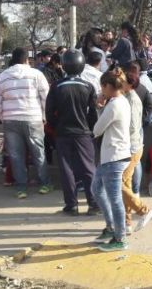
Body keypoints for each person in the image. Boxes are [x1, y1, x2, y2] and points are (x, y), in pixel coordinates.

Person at [0, 48, 52, 199]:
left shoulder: (2, 76)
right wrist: (44, 116)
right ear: (27, 60)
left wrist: (2, 116)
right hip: (33, 118)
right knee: (38, 152)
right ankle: (44, 183)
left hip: (10, 119)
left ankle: (21, 188)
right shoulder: (36, 74)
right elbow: (46, 97)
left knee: (16, 155)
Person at [46, 49, 100, 215]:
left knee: (67, 169)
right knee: (88, 168)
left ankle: (72, 205)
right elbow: (93, 112)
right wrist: (90, 128)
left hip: (63, 133)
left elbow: (49, 113)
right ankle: (93, 204)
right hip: (83, 132)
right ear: (82, 66)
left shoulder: (56, 86)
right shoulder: (88, 87)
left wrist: (56, 126)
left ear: (64, 66)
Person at [92, 69, 132, 252]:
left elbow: (97, 129)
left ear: (108, 86)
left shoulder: (113, 105)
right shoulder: (120, 101)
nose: (101, 91)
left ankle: (119, 237)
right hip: (113, 154)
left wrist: (99, 107)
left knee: (114, 198)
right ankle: (111, 228)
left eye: (102, 87)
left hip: (114, 156)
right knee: (97, 189)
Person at [120, 70, 152, 231]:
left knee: (120, 184)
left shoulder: (132, 100)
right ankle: (127, 222)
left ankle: (143, 210)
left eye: (122, 81)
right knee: (124, 184)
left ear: (129, 84)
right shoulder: (125, 97)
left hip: (131, 147)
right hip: (128, 146)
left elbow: (133, 126)